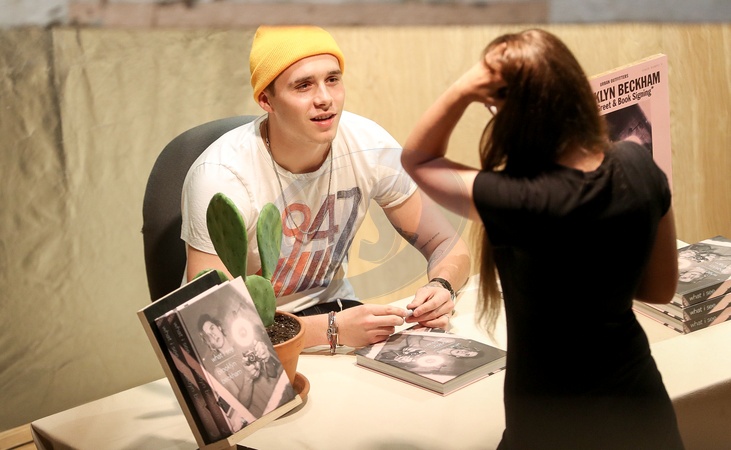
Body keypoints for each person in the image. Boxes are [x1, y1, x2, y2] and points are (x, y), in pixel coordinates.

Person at [401, 29, 684, 449]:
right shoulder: (637, 163)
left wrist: (463, 89)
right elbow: (660, 290)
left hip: (550, 422)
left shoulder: (521, 200)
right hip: (641, 406)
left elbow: (417, 159)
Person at [181, 25, 471, 350]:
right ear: (266, 100)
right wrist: (331, 329)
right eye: (303, 85)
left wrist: (442, 287)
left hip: (334, 313)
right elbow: (210, 318)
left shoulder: (369, 145)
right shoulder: (221, 175)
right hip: (247, 340)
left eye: (332, 79)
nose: (325, 99)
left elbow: (448, 244)